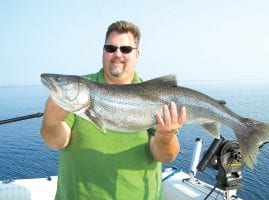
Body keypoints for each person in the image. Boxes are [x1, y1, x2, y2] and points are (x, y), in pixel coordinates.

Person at [41, 20, 186, 200]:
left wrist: (165, 135)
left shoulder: (157, 97)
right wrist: (51, 121)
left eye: (125, 49)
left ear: (137, 54)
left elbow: (166, 156)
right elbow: (56, 142)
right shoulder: (81, 89)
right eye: (111, 48)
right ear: (103, 51)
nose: (117, 54)